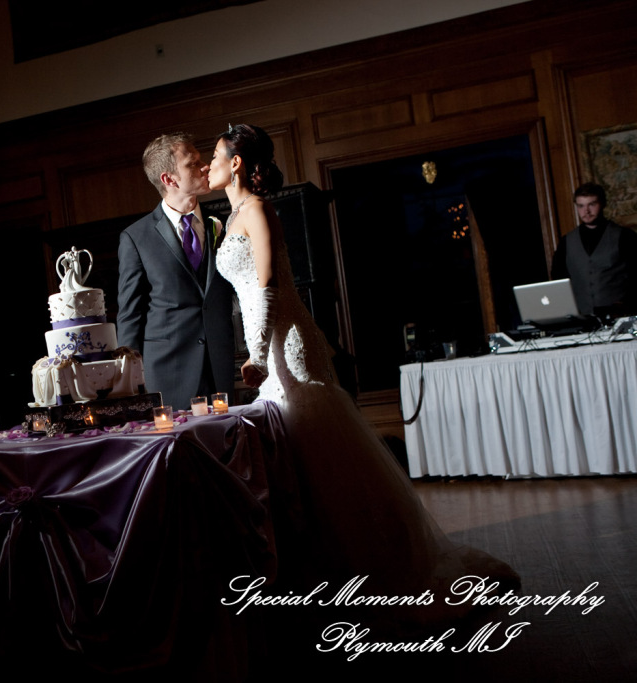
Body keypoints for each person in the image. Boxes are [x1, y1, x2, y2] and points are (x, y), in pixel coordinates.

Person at [209, 123, 518, 616]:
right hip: (264, 345)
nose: (209, 165)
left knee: (323, 455)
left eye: (215, 156)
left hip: (287, 344)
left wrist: (258, 354)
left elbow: (268, 285)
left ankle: (377, 568)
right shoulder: (229, 218)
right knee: (296, 459)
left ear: (237, 163)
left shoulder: (259, 210)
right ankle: (323, 573)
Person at [117, 133, 235, 408]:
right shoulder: (136, 237)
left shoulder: (225, 224)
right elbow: (130, 315)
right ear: (169, 179)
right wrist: (131, 383)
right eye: (193, 164)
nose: (205, 166)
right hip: (167, 372)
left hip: (219, 365)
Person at [550, 182, 637, 318]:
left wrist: (627, 304)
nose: (586, 211)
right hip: (581, 317)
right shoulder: (566, 241)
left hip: (620, 316)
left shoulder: (625, 236)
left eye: (592, 204)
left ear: (602, 204)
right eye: (581, 206)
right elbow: (558, 279)